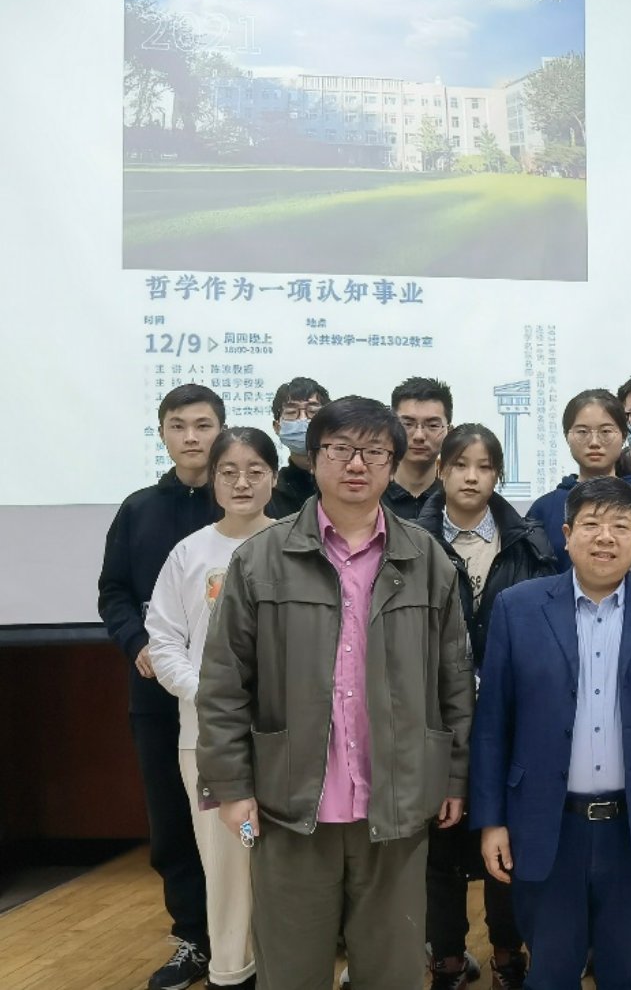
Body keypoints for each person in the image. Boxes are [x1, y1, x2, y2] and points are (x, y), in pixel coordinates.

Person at [197, 396, 474, 990]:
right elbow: (223, 684)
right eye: (341, 449)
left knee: (394, 972)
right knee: (291, 972)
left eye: (374, 452)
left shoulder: (427, 559)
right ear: (314, 457)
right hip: (288, 806)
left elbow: (454, 680)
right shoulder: (261, 559)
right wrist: (232, 788)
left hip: (396, 804)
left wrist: (454, 777)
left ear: (393, 464)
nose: (356, 464)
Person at [471, 477, 631, 990]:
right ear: (566, 534)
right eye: (592, 524)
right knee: (551, 973)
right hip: (547, 823)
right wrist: (491, 821)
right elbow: (492, 725)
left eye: (620, 526)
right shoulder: (518, 607)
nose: (605, 537)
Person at [417, 424, 560, 990]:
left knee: (507, 837)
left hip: (512, 716)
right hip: (434, 716)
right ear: (441, 471)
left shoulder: (529, 541)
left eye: (484, 466)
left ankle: (507, 952)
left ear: (499, 475)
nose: (471, 477)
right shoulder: (411, 539)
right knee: (440, 841)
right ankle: (448, 957)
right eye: (460, 465)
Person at [98, 383, 225, 990]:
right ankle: (194, 936)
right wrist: (137, 644)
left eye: (203, 425)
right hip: (158, 693)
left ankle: (254, 933)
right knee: (173, 818)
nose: (192, 437)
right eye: (179, 426)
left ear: (222, 429)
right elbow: (114, 592)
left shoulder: (250, 503)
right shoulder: (138, 509)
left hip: (240, 696)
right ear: (163, 434)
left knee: (246, 816)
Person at [144, 425, 274, 990]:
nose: (242, 482)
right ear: (214, 482)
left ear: (274, 478)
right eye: (229, 472)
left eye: (255, 471)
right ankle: (231, 972)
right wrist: (211, 694)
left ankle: (288, 969)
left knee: (290, 865)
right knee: (225, 863)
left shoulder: (297, 544)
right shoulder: (189, 553)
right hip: (208, 738)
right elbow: (164, 639)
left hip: (285, 736)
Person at [528, 389, 631, 571]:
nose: (594, 442)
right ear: (567, 436)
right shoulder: (546, 508)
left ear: (624, 435)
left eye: (606, 431)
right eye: (582, 432)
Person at [385, 377, 453, 520]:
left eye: (432, 425)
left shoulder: (456, 501)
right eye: (407, 424)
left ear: (449, 431)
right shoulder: (371, 498)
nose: (419, 436)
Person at [267, 377, 330, 518]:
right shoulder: (271, 491)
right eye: (291, 412)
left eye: (313, 411)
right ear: (277, 427)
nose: (303, 420)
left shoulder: (346, 481)